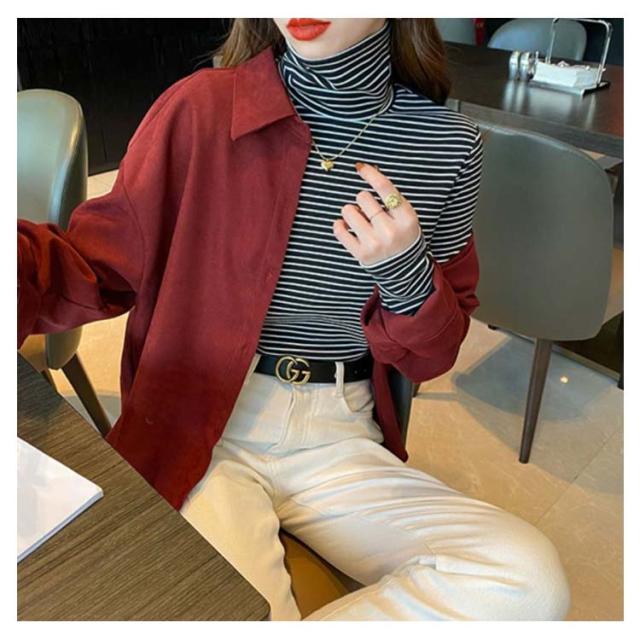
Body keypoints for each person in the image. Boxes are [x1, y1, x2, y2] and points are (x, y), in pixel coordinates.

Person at [17, 18, 571, 621]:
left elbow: (433, 355)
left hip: (341, 433)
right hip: (204, 425)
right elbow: (92, 268)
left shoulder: (446, 146)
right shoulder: (200, 109)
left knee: (530, 581)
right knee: (230, 611)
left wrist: (406, 272)